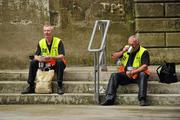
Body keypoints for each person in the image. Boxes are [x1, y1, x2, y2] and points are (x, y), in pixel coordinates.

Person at [101, 35, 150, 106]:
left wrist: (133, 72)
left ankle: (142, 99)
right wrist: (122, 52)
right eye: (129, 44)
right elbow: (113, 57)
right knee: (114, 75)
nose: (130, 46)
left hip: (137, 74)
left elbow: (145, 66)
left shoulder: (143, 51)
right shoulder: (126, 49)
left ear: (137, 43)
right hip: (126, 74)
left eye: (132, 44)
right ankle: (109, 98)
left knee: (143, 74)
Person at [22, 22, 66, 95]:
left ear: (52, 32)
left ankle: (59, 86)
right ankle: (31, 86)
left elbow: (62, 55)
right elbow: (36, 55)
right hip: (45, 63)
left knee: (60, 62)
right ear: (43, 32)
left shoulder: (58, 41)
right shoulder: (41, 42)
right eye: (45, 30)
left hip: (54, 63)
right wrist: (40, 59)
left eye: (48, 30)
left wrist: (52, 57)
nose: (47, 32)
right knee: (33, 62)